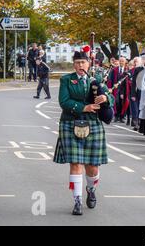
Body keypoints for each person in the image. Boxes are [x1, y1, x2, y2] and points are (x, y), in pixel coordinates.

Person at [53, 50, 114, 215]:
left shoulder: (97, 80)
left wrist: (106, 99)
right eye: (78, 62)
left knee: (92, 167)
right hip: (70, 123)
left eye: (83, 62)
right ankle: (77, 200)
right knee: (75, 163)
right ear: (74, 64)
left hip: (93, 124)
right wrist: (84, 107)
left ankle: (91, 189)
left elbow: (111, 97)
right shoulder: (66, 80)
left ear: (88, 64)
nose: (81, 65)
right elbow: (64, 101)